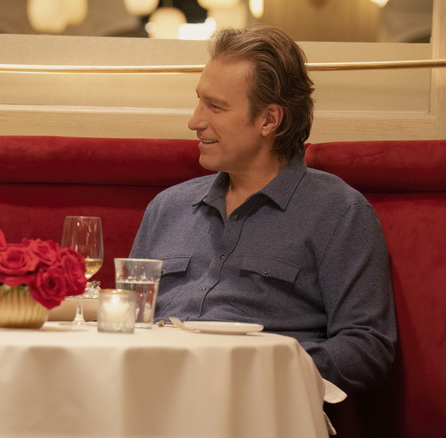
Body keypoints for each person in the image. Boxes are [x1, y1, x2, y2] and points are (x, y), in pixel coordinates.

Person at [129, 27, 396, 394]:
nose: (195, 121)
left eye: (216, 106)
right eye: (199, 101)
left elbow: (368, 349)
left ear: (269, 120)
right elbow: (126, 322)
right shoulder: (166, 208)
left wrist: (259, 368)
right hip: (149, 398)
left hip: (258, 412)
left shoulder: (339, 211)